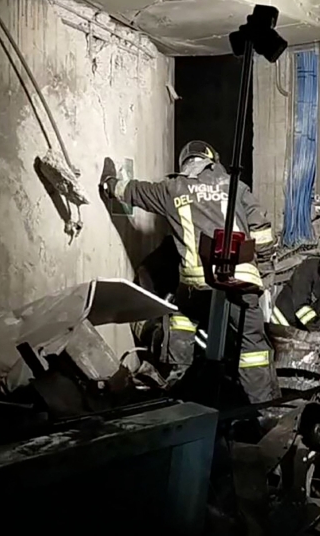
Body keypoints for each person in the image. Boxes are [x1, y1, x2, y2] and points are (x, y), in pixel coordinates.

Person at [100, 140, 280, 404]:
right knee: (253, 350)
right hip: (243, 285)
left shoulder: (173, 189)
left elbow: (133, 191)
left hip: (199, 287)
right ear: (213, 161)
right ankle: (262, 410)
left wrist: (109, 182)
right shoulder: (236, 186)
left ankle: (177, 386)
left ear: (184, 164)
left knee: (179, 316)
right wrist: (263, 272)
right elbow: (263, 233)